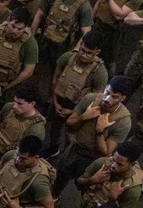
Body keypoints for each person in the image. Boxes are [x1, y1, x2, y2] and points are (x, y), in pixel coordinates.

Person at [52, 75, 134, 198]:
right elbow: (69, 122)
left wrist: (100, 131)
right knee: (61, 175)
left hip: (94, 159)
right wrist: (84, 117)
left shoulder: (123, 121)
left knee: (88, 188)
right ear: (106, 87)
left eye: (114, 97)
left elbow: (106, 152)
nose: (107, 99)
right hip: (75, 149)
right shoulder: (90, 99)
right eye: (107, 93)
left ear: (123, 98)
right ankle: (54, 197)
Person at [44, 29, 107, 157]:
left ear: (97, 52)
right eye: (82, 50)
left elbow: (96, 100)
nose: (84, 55)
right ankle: (54, 147)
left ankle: (66, 156)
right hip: (59, 102)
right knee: (54, 127)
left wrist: (73, 113)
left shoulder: (100, 72)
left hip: (79, 109)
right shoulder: (68, 57)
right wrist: (55, 101)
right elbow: (56, 78)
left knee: (71, 135)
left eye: (89, 53)